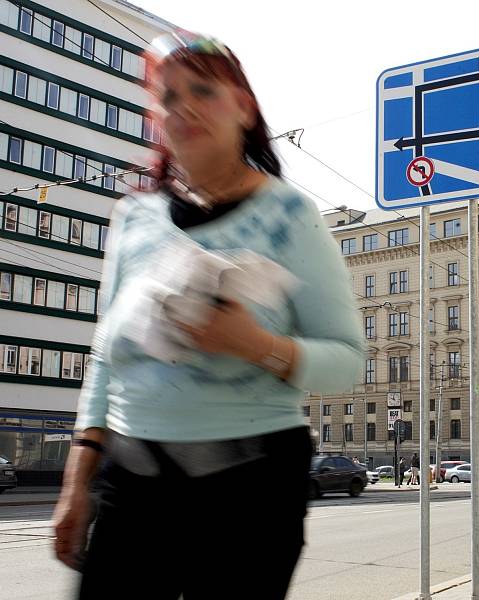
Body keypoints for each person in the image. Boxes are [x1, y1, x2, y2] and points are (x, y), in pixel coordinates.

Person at [52, 30, 364, 600]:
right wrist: (77, 482)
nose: (185, 107)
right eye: (168, 97)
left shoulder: (289, 214)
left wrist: (252, 343)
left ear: (243, 107)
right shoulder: (133, 217)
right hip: (131, 482)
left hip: (249, 491)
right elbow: (104, 359)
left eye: (203, 90)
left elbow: (346, 363)